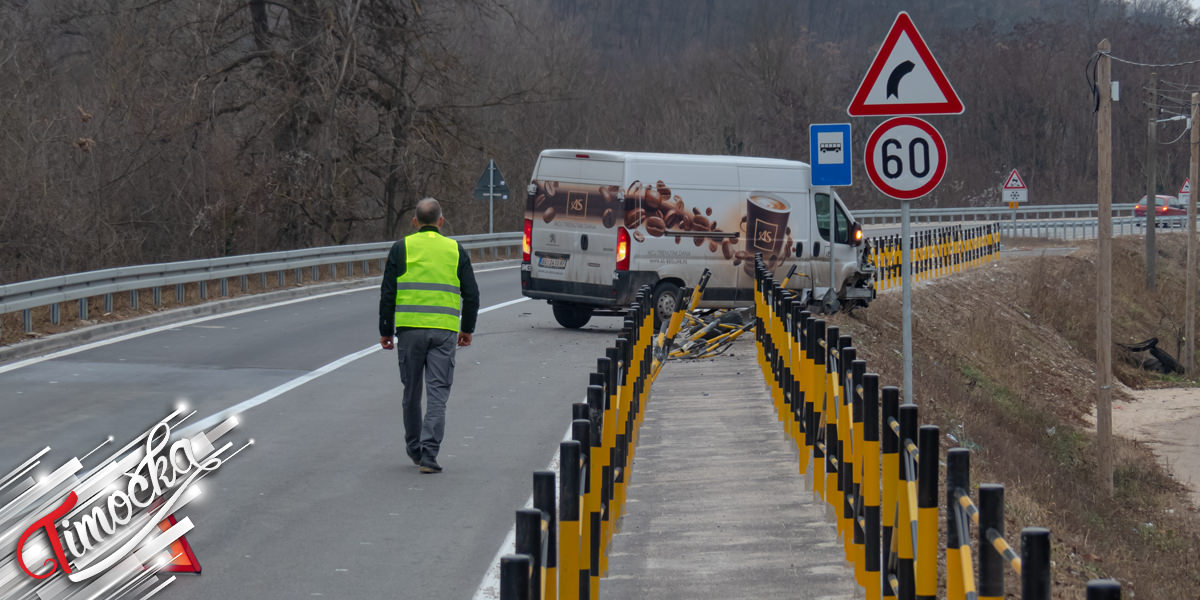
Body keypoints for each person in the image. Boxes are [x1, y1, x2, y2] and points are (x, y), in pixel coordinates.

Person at [379, 197, 480, 474]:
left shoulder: (401, 249)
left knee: (411, 393)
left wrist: (386, 330)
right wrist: (467, 329)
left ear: (415, 222)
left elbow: (387, 294)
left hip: (409, 331)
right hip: (444, 332)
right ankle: (430, 453)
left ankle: (414, 449)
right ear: (441, 221)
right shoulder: (455, 249)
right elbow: (471, 294)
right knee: (437, 394)